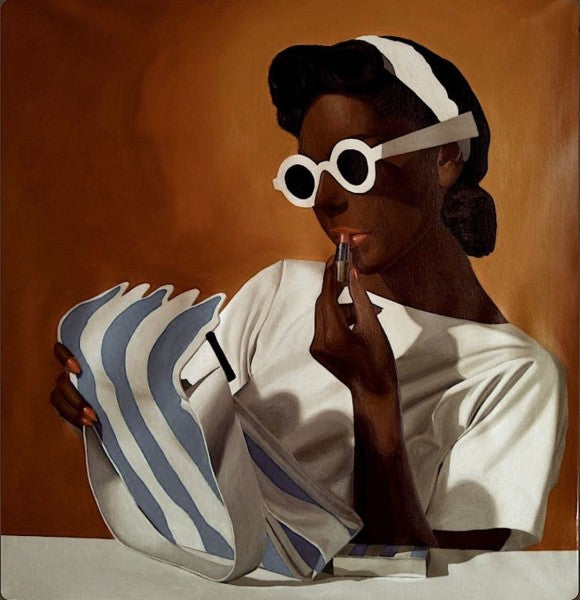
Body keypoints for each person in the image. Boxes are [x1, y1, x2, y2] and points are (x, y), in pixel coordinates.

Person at [51, 35, 567, 580]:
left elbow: (445, 582)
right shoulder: (280, 290)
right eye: (307, 176)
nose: (327, 198)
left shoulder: (518, 377)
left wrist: (374, 396)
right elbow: (184, 428)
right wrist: (111, 400)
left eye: (354, 163)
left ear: (444, 158)